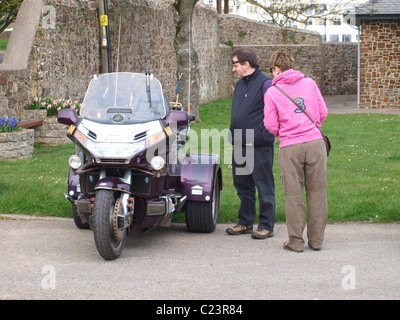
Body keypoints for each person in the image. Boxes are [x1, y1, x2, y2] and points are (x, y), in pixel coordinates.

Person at [264, 49, 328, 252]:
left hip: (290, 146)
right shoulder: (309, 84)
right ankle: (316, 240)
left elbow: (270, 124)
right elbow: (323, 112)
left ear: (276, 69)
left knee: (293, 195)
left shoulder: (273, 92)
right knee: (317, 192)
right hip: (315, 143)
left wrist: (283, 133)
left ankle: (296, 241)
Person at [226, 47, 276, 239]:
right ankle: (245, 221)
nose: (233, 69)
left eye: (235, 65)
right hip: (239, 144)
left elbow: (274, 113)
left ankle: (266, 225)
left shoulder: (266, 84)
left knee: (264, 187)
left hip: (258, 146)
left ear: (247, 64)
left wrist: (261, 135)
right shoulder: (240, 84)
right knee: (242, 186)